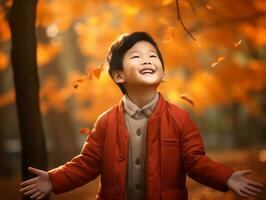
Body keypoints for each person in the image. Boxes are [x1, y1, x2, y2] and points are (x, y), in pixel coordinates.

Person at [20, 32, 264, 200]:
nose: (147, 59)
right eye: (136, 56)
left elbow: (197, 162)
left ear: (163, 74)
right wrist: (53, 180)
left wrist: (227, 177)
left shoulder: (180, 118)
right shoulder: (106, 122)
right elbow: (87, 163)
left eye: (153, 56)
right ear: (118, 76)